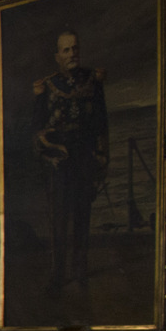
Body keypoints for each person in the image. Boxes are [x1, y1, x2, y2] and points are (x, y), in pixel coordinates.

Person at [34, 30, 108, 304]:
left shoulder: (93, 80)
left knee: (82, 215)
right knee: (59, 218)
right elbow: (38, 126)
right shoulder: (48, 85)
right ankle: (57, 274)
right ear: (57, 56)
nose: (72, 54)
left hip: (84, 157)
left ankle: (80, 270)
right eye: (66, 50)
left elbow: (101, 122)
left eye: (75, 48)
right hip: (59, 159)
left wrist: (102, 157)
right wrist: (49, 150)